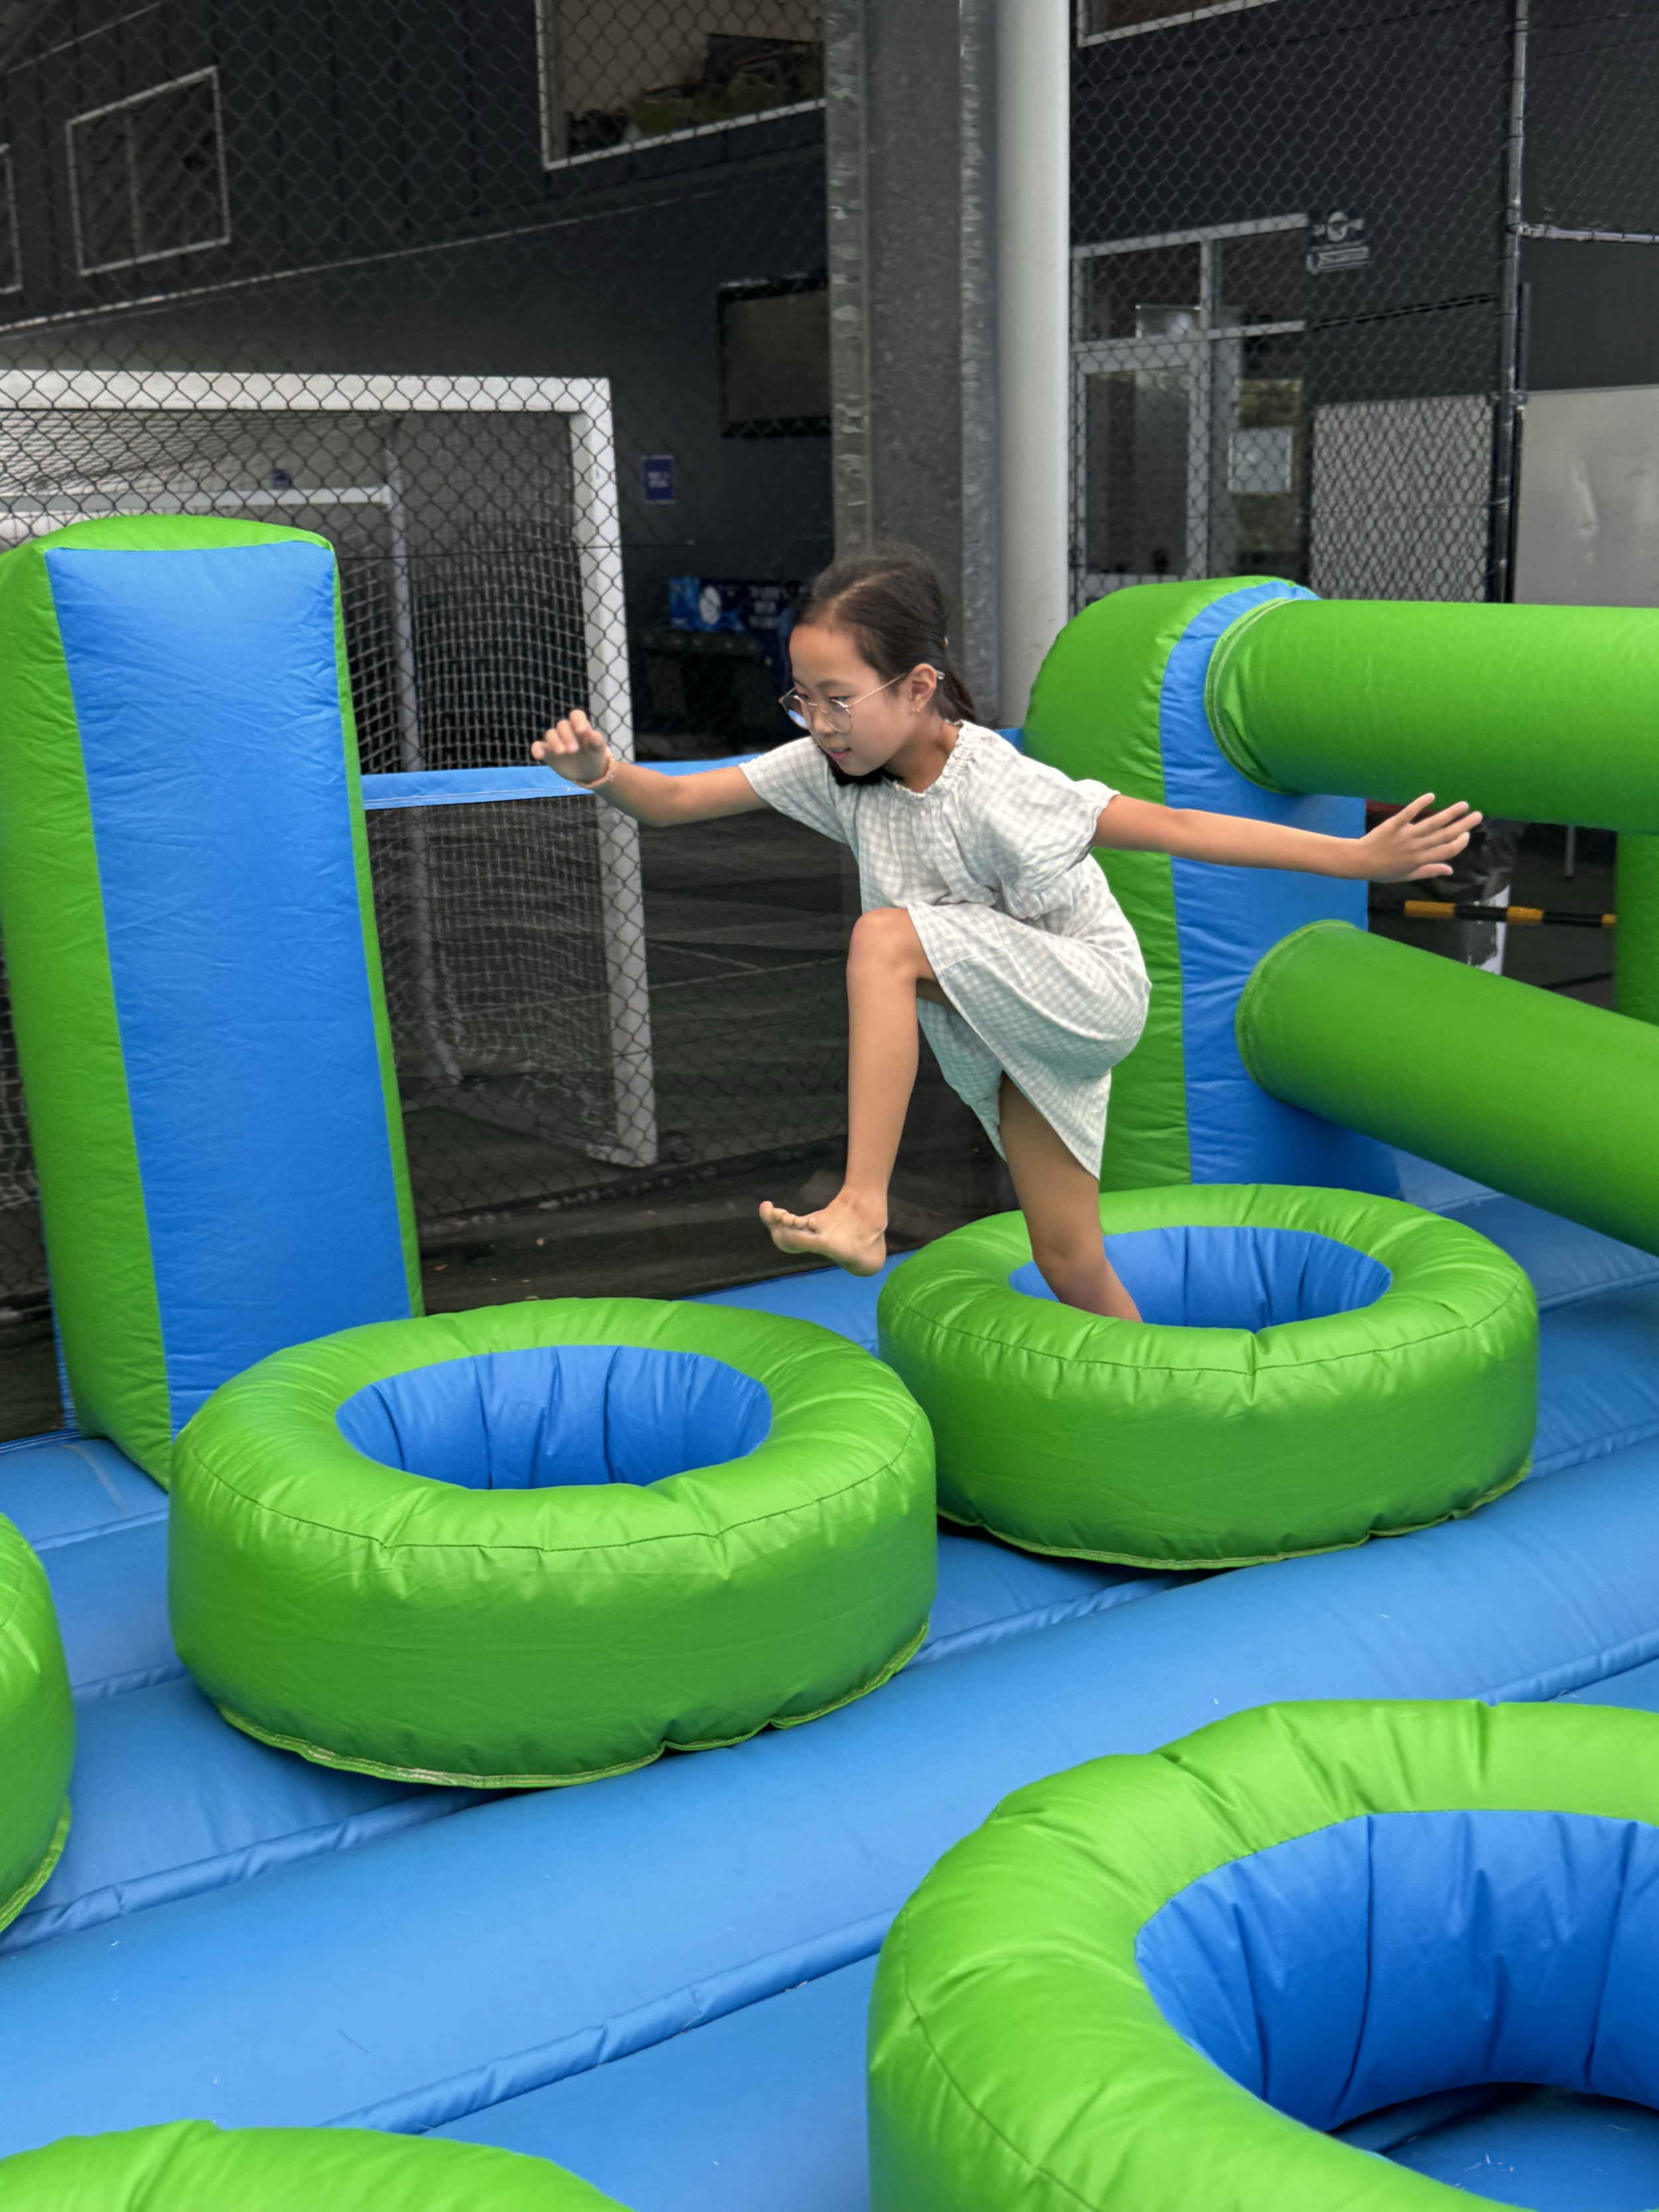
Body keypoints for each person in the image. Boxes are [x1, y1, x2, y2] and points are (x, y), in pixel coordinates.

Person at [534, 546, 1477, 1322]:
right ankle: (1159, 1399)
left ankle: (865, 1203)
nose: (818, 722)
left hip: (1085, 993)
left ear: (918, 686)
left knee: (884, 940)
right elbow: (675, 800)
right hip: (999, 1027)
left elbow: (1178, 827)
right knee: (1069, 1258)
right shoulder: (834, 765)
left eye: (837, 697)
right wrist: (602, 771)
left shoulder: (996, 785)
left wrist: (1353, 860)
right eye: (801, 699)